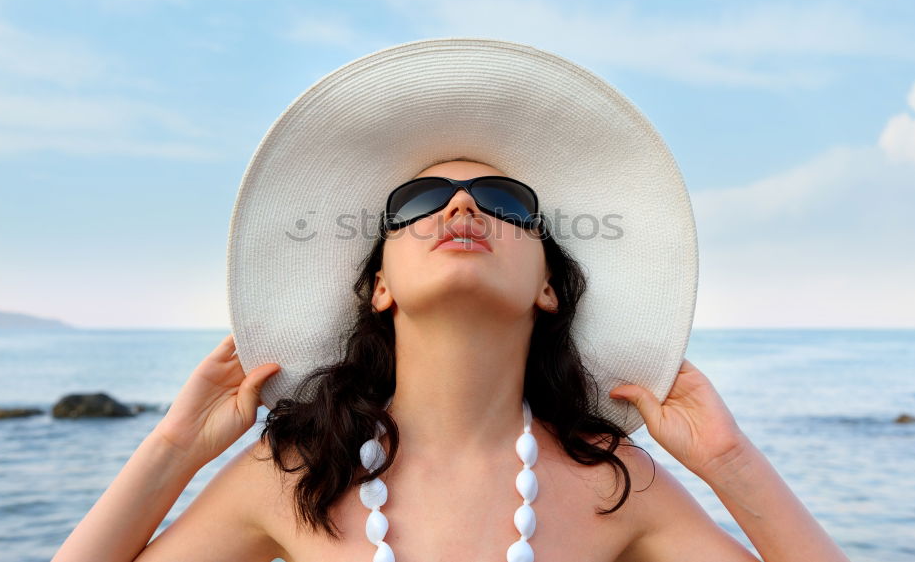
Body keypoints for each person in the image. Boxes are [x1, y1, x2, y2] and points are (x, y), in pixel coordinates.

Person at [52, 158, 852, 562]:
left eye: (507, 203)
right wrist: (171, 451)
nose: (463, 206)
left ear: (547, 286)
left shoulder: (611, 480)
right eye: (418, 203)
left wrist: (731, 462)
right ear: (379, 287)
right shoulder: (298, 468)